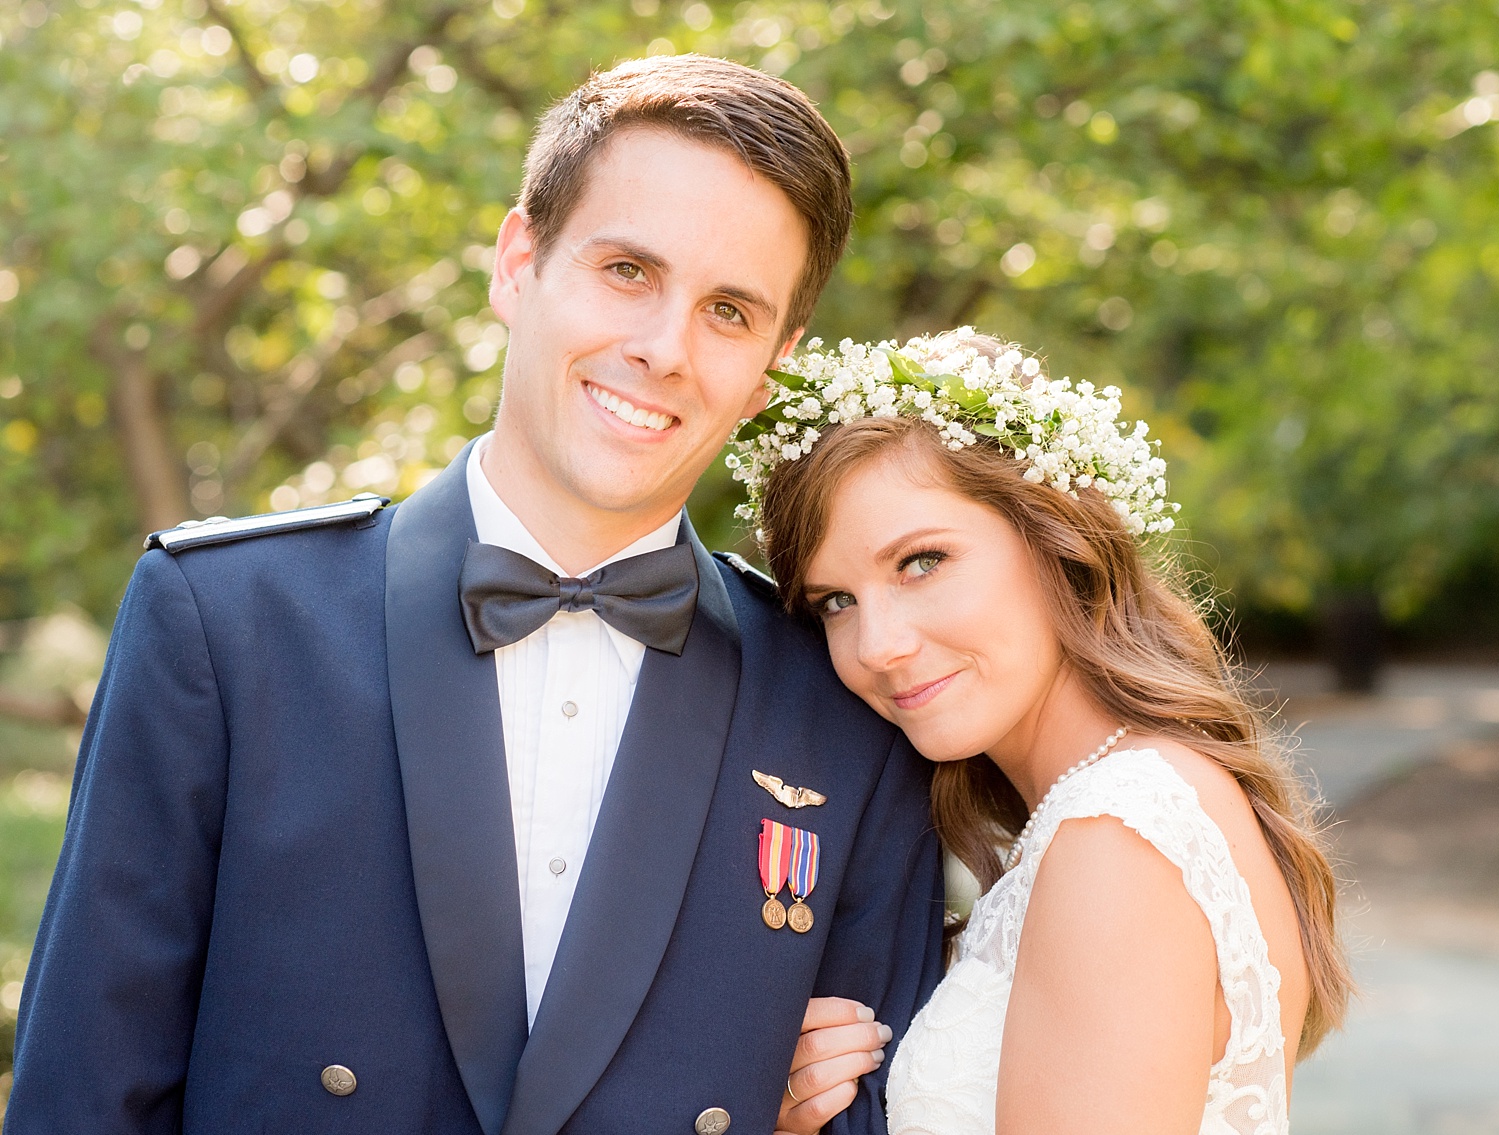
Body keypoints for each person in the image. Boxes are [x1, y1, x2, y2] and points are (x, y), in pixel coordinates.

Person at [7, 56, 939, 1135]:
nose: (662, 348)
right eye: (628, 269)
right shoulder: (228, 623)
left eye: (728, 311)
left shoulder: (841, 707)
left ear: (773, 363)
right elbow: (84, 1095)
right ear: (517, 262)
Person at [749, 329, 1353, 1134]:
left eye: (921, 561)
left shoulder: (1119, 833)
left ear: (1054, 535)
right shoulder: (1117, 803)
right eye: (836, 601)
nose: (877, 645)